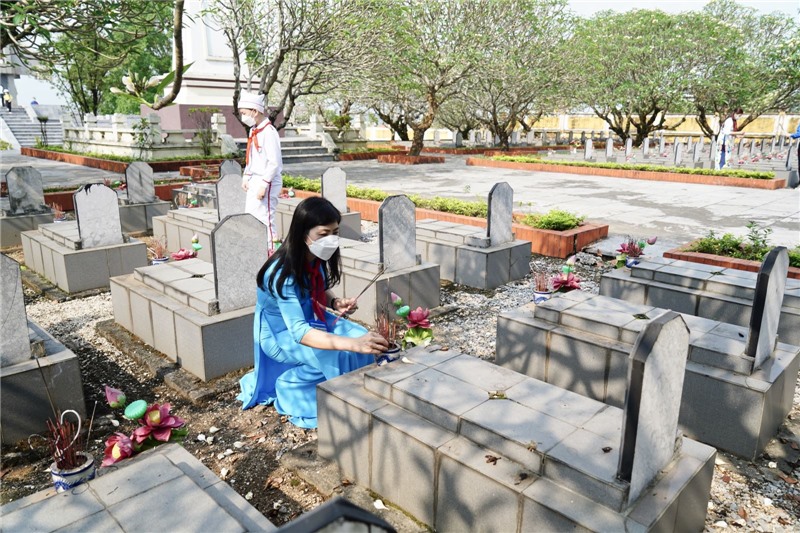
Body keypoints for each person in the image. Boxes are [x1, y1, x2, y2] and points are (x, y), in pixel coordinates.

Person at [237, 196, 388, 428]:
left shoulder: (314, 255)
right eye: (324, 233)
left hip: (311, 317)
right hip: (281, 334)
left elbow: (315, 287)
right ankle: (306, 393)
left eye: (335, 232)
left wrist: (335, 302)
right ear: (303, 233)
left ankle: (359, 391)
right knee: (341, 353)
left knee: (360, 333)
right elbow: (299, 332)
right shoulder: (281, 274)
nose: (331, 239)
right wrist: (353, 344)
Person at [238, 91, 282, 253]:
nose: (243, 117)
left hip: (267, 180)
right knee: (252, 214)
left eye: (244, 113)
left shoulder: (269, 132)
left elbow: (274, 162)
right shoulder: (254, 130)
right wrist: (246, 176)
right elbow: (251, 156)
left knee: (265, 217)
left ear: (255, 111)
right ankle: (257, 248)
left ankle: (271, 250)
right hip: (255, 179)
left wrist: (264, 184)